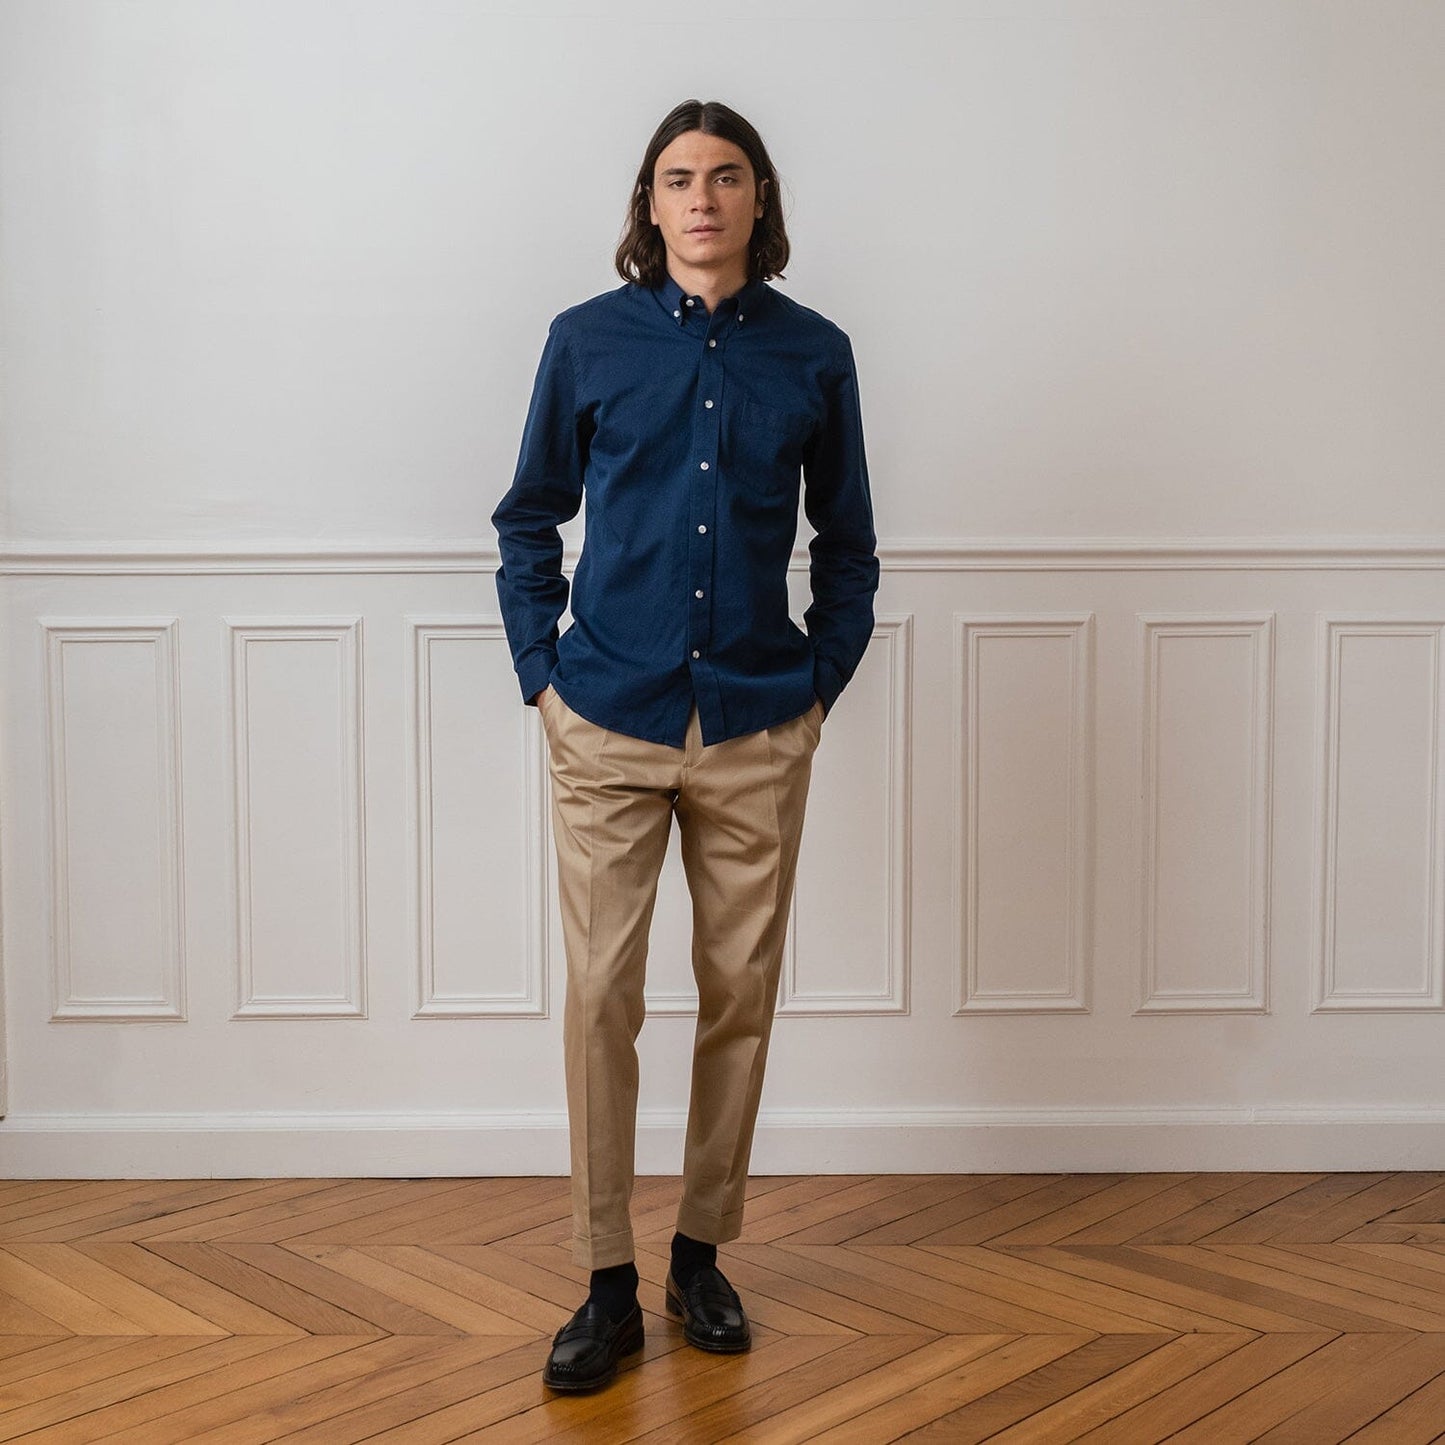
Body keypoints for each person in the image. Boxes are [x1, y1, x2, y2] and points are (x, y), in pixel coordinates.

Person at [491, 97, 878, 1392]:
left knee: (739, 995)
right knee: (601, 995)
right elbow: (528, 517)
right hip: (606, 716)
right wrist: (543, 678)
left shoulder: (815, 354)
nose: (700, 198)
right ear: (648, 205)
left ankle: (700, 1253)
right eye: (676, 178)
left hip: (758, 724)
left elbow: (851, 547)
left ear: (759, 199)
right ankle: (605, 1280)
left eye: (723, 176)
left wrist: (815, 688)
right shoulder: (586, 341)